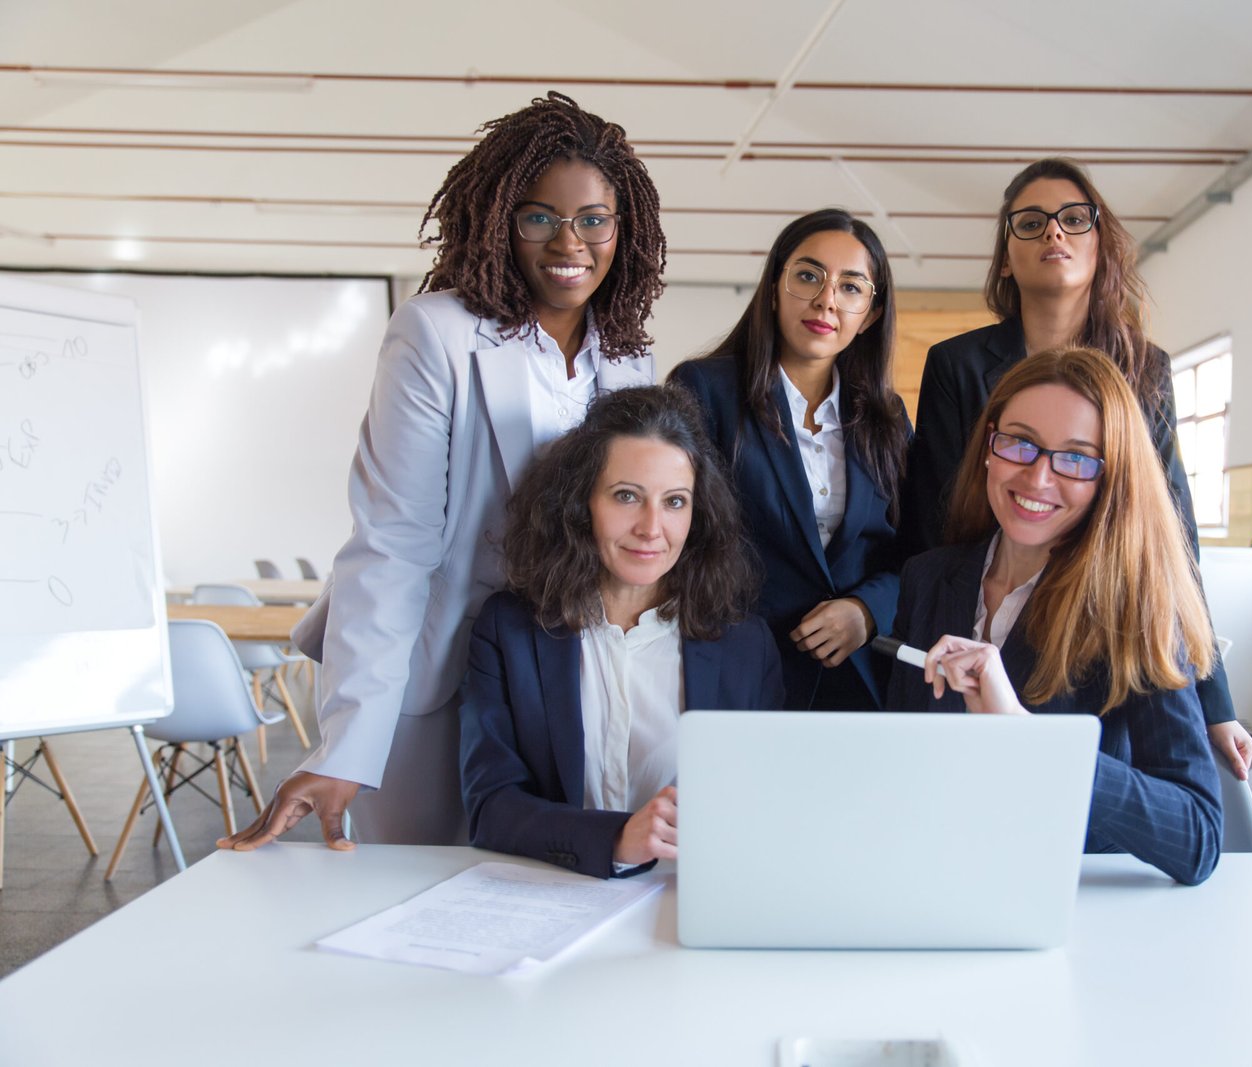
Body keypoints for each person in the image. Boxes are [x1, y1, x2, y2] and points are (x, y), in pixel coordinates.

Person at [219, 92, 666, 851]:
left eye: (594, 219)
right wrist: (349, 744)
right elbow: (395, 543)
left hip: (564, 678)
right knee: (413, 897)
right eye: (539, 216)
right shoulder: (435, 334)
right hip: (437, 674)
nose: (571, 241)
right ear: (497, 219)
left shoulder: (627, 359)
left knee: (545, 890)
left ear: (622, 229)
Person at [901, 158, 1252, 780]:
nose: (1053, 235)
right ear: (1006, 257)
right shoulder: (956, 364)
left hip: (1097, 612)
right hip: (980, 614)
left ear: (1100, 246)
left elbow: (1175, 534)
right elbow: (935, 515)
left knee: (1083, 786)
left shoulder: (1144, 369)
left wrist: (1212, 698)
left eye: (1073, 220)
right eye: (1031, 224)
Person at [887, 347, 1221, 886]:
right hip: (935, 880)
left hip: (1070, 899)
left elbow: (1197, 836)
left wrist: (1028, 738)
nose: (1038, 478)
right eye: (1019, 443)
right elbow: (902, 759)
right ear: (989, 448)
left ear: (1110, 481)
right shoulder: (927, 578)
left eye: (1076, 458)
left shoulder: (1135, 608)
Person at [459, 386, 783, 878]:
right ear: (580, 503)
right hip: (552, 894)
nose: (652, 527)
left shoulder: (745, 645)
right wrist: (615, 839)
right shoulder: (508, 630)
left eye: (675, 502)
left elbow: (766, 805)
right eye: (627, 496)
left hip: (690, 899)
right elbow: (490, 807)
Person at [670, 210, 908, 710]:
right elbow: (683, 542)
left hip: (859, 680)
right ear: (775, 285)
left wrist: (867, 610)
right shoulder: (704, 390)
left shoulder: (887, 418)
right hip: (738, 670)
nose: (826, 299)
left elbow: (916, 549)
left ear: (873, 313)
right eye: (808, 276)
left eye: (851, 288)